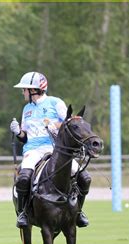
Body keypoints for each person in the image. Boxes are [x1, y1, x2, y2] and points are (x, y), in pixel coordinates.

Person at [10, 71, 90, 228]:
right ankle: (22, 213)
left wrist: (54, 125)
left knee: (84, 177)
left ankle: (79, 212)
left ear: (34, 90)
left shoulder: (55, 103)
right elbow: (25, 137)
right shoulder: (27, 109)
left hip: (55, 150)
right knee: (24, 178)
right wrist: (18, 131)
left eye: (24, 89)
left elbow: (71, 123)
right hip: (32, 150)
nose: (22, 92)